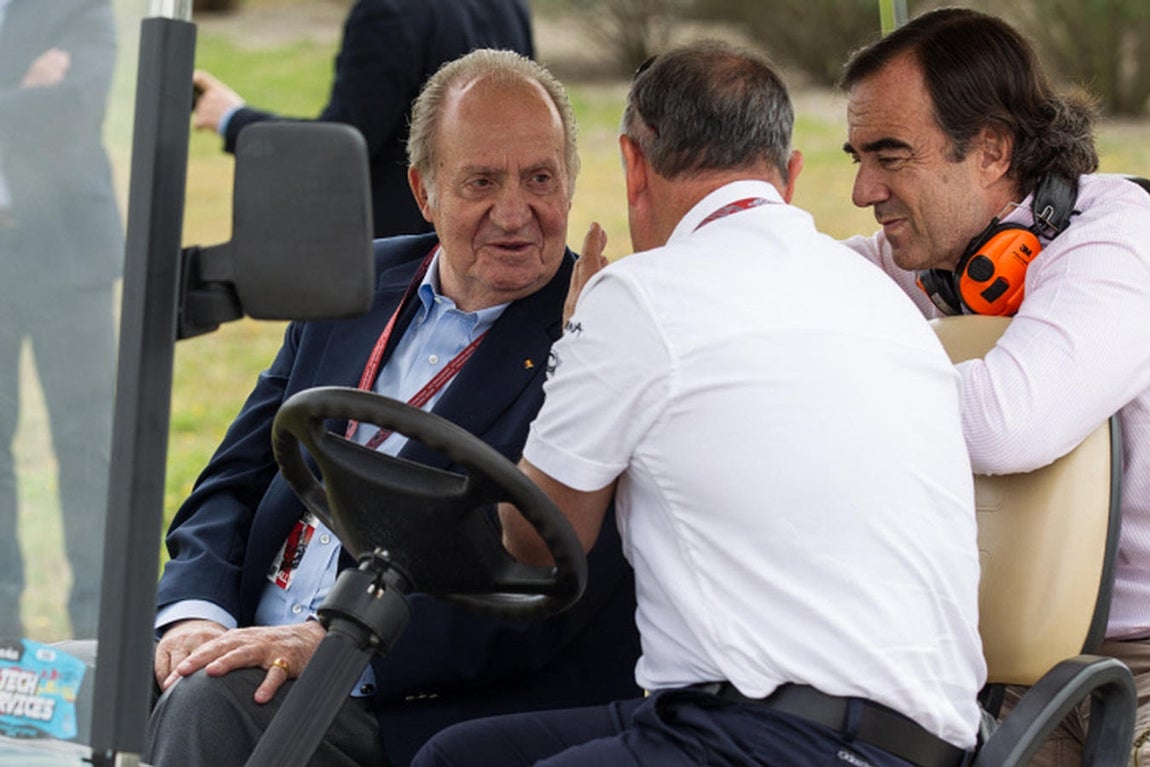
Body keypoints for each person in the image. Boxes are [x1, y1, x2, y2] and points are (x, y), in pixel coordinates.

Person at [411, 41, 986, 767]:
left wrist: (576, 343)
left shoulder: (643, 296)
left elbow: (535, 538)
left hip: (769, 737)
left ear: (633, 162)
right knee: (457, 757)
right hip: (932, 740)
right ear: (790, 172)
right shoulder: (882, 296)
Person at [144, 49, 640, 767]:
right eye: (481, 181)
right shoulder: (356, 283)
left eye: (540, 178)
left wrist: (334, 646)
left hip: (406, 697)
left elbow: (545, 594)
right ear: (424, 190)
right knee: (46, 682)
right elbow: (231, 482)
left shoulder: (593, 330)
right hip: (247, 642)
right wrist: (196, 615)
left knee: (208, 706)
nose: (515, 211)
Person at [838, 8, 1150, 764]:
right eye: (855, 155)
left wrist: (835, 383)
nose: (860, 188)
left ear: (990, 152)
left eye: (889, 155)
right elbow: (781, 289)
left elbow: (1008, 423)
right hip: (997, 672)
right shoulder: (925, 255)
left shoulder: (1116, 240)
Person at [191, 0, 534, 238]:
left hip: (402, 266)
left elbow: (340, 148)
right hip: (484, 240)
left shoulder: (387, 12)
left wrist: (232, 118)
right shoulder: (510, 6)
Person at [0, 0, 122, 639]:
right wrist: (19, 93)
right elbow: (39, 113)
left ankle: (92, 640)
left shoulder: (75, 5)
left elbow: (72, 113)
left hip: (67, 251)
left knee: (88, 447)